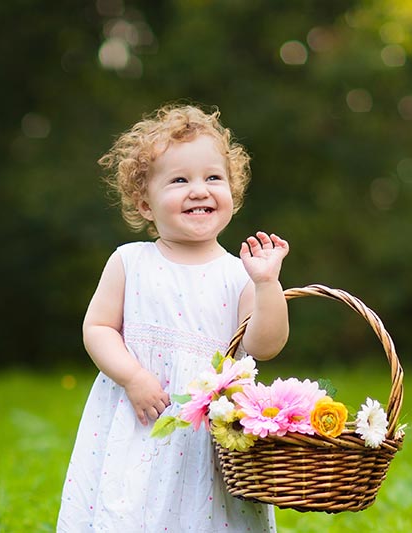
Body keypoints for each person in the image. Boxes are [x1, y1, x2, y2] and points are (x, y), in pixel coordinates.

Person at [57, 104, 289, 532]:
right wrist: (131, 376)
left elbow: (264, 345)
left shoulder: (239, 274)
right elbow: (98, 328)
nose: (199, 190)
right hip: (140, 418)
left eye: (212, 178)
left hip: (208, 435)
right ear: (145, 204)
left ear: (232, 194)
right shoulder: (130, 262)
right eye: (179, 180)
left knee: (203, 515)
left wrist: (267, 284)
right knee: (132, 507)